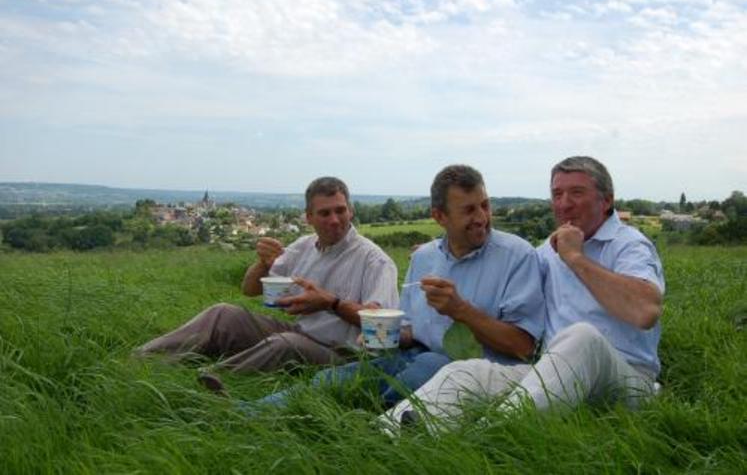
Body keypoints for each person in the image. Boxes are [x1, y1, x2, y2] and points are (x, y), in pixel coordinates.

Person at [381, 156, 665, 431]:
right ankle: (385, 434)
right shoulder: (547, 251)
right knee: (466, 372)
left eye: (577, 193)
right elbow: (504, 259)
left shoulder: (629, 245)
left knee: (583, 337)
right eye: (557, 194)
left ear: (607, 200)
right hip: (554, 374)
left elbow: (645, 311)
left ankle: (490, 436)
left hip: (625, 380)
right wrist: (439, 251)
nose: (564, 203)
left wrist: (576, 258)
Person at [251, 164, 545, 410]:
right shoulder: (425, 257)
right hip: (411, 354)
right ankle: (245, 413)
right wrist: (383, 333)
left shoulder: (517, 255)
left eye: (485, 205)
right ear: (439, 217)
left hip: (473, 368)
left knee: (415, 373)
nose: (481, 217)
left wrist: (461, 310)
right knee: (333, 380)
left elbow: (523, 347)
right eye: (468, 210)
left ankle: (369, 426)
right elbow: (410, 331)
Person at [135, 176, 399, 375]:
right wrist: (262, 264)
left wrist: (330, 303)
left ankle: (208, 381)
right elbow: (250, 289)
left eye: (340, 210)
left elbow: (381, 324)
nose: (334, 219)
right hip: (298, 331)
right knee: (223, 313)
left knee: (284, 343)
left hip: (341, 354)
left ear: (350, 211)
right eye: (325, 213)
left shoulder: (374, 260)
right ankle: (141, 362)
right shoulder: (304, 246)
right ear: (309, 217)